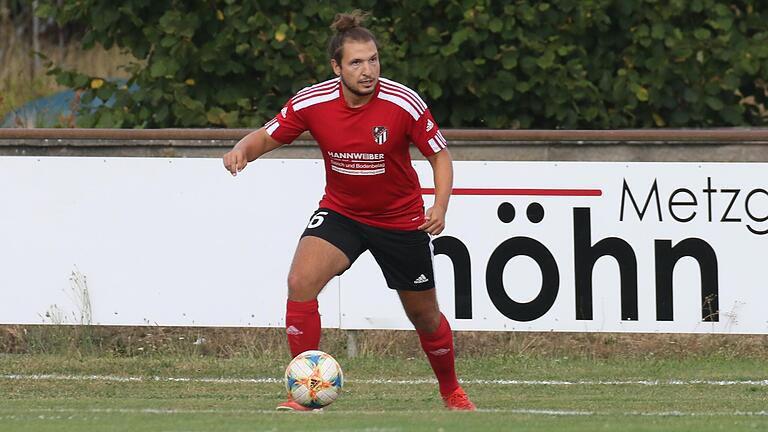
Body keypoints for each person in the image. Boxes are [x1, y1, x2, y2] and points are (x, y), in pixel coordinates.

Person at [222, 10, 475, 412]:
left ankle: (452, 391)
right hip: (343, 213)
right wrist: (242, 151)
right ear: (336, 67)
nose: (368, 70)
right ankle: (303, 393)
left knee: (425, 316)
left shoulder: (403, 102)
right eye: (356, 62)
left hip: (400, 221)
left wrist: (439, 206)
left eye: (373, 59)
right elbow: (268, 136)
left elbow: (440, 157)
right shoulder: (312, 101)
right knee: (300, 282)